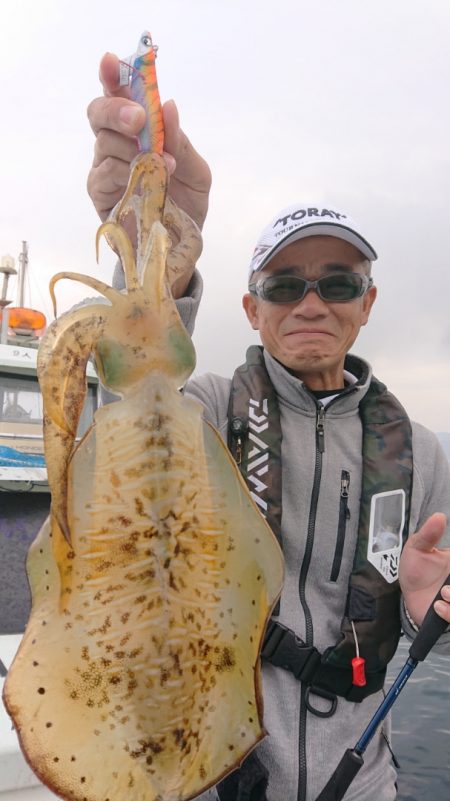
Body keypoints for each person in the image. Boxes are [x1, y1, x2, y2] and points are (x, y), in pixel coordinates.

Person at [86, 53, 450, 801]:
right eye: (285, 284)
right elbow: (132, 403)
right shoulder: (209, 410)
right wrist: (153, 243)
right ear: (251, 309)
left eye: (338, 282)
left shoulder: (420, 450)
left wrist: (422, 619)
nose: (311, 303)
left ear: (368, 302)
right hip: (219, 774)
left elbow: (421, 624)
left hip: (366, 782)